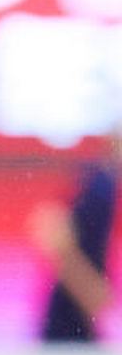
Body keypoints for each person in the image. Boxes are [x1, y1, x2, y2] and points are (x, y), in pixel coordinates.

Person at [30, 122, 120, 343]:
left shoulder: (102, 185)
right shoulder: (99, 189)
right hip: (68, 319)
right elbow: (50, 227)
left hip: (75, 319)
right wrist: (88, 288)